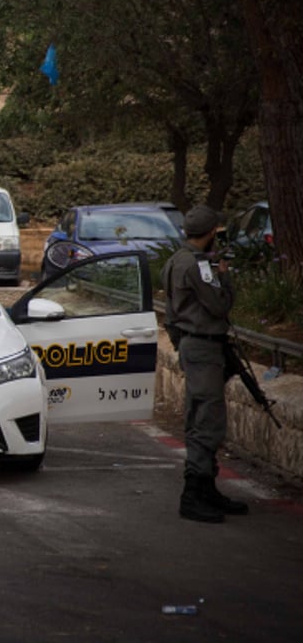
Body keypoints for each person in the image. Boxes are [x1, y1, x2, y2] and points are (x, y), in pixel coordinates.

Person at [163, 205, 248, 523]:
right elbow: (219, 306)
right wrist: (224, 278)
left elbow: (171, 314)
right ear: (212, 233)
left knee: (200, 416)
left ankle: (206, 488)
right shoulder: (198, 266)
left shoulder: (174, 262)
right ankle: (194, 494)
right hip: (203, 347)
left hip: (192, 346)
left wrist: (180, 346)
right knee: (206, 421)